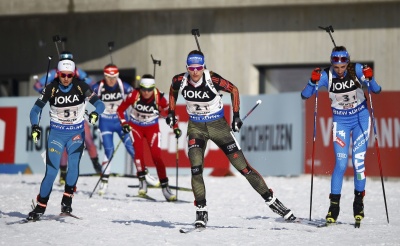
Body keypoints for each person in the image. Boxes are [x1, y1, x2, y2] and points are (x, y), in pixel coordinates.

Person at [168, 50, 296, 228]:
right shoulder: (179, 80)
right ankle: (201, 211)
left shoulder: (212, 79)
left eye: (198, 67)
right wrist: (171, 111)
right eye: (191, 68)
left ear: (203, 66)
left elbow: (233, 89)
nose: (195, 72)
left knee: (243, 168)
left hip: (218, 126)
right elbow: (172, 90)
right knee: (196, 169)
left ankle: (273, 201)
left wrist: (236, 116)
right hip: (196, 127)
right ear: (187, 67)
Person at [300, 46, 382, 225]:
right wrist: (312, 82)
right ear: (331, 64)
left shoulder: (357, 69)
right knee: (341, 163)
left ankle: (358, 203)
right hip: (341, 122)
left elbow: (376, 90)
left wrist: (370, 77)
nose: (339, 71)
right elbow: (305, 95)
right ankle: (334, 207)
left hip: (360, 119)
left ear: (347, 63)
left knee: (358, 162)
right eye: (336, 67)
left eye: (343, 67)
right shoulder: (325, 75)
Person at [28, 59, 105, 220]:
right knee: (51, 172)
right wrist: (35, 126)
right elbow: (35, 110)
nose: (66, 78)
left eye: (69, 75)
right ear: (58, 74)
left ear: (73, 74)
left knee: (73, 166)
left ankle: (67, 200)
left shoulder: (80, 86)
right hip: (56, 134)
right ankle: (40, 206)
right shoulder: (51, 88)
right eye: (63, 75)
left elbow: (100, 105)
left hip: (76, 134)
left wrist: (95, 113)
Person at [33, 51, 102, 183]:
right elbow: (37, 86)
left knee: (88, 139)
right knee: (64, 145)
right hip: (60, 113)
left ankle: (96, 164)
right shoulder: (54, 73)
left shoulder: (77, 72)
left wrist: (84, 87)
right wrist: (45, 92)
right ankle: (63, 172)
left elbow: (92, 83)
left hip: (77, 111)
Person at [92, 64, 159, 195]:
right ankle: (104, 182)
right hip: (105, 122)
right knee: (108, 150)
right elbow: (86, 97)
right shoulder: (98, 87)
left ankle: (144, 176)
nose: (111, 80)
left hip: (121, 122)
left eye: (114, 77)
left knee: (133, 149)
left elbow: (138, 97)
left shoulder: (124, 87)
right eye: (108, 77)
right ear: (104, 76)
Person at [117, 74, 181, 201]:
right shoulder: (133, 95)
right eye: (144, 89)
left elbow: (171, 112)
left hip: (152, 127)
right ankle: (142, 183)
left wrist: (176, 127)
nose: (146, 92)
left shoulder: (159, 97)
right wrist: (124, 123)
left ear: (153, 88)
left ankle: (165, 188)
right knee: (139, 154)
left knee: (157, 156)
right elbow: (120, 110)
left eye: (149, 89)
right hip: (136, 126)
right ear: (140, 88)